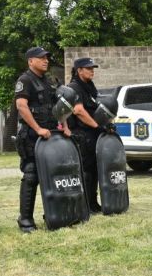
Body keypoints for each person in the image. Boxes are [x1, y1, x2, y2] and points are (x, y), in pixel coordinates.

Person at [14, 46, 71, 233]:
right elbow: (22, 106)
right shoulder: (25, 80)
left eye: (47, 58)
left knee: (55, 175)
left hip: (51, 135)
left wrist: (65, 126)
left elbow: (58, 107)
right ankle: (25, 220)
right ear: (31, 61)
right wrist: (38, 128)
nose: (46, 60)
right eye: (41, 58)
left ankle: (53, 214)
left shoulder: (48, 82)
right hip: (32, 137)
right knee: (31, 176)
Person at [67, 57, 106, 213]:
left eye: (93, 68)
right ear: (79, 70)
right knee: (86, 170)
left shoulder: (89, 86)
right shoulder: (74, 87)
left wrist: (104, 124)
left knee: (94, 169)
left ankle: (92, 202)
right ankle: (84, 204)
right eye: (88, 68)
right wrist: (97, 126)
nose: (92, 71)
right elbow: (79, 111)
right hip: (81, 133)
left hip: (92, 132)